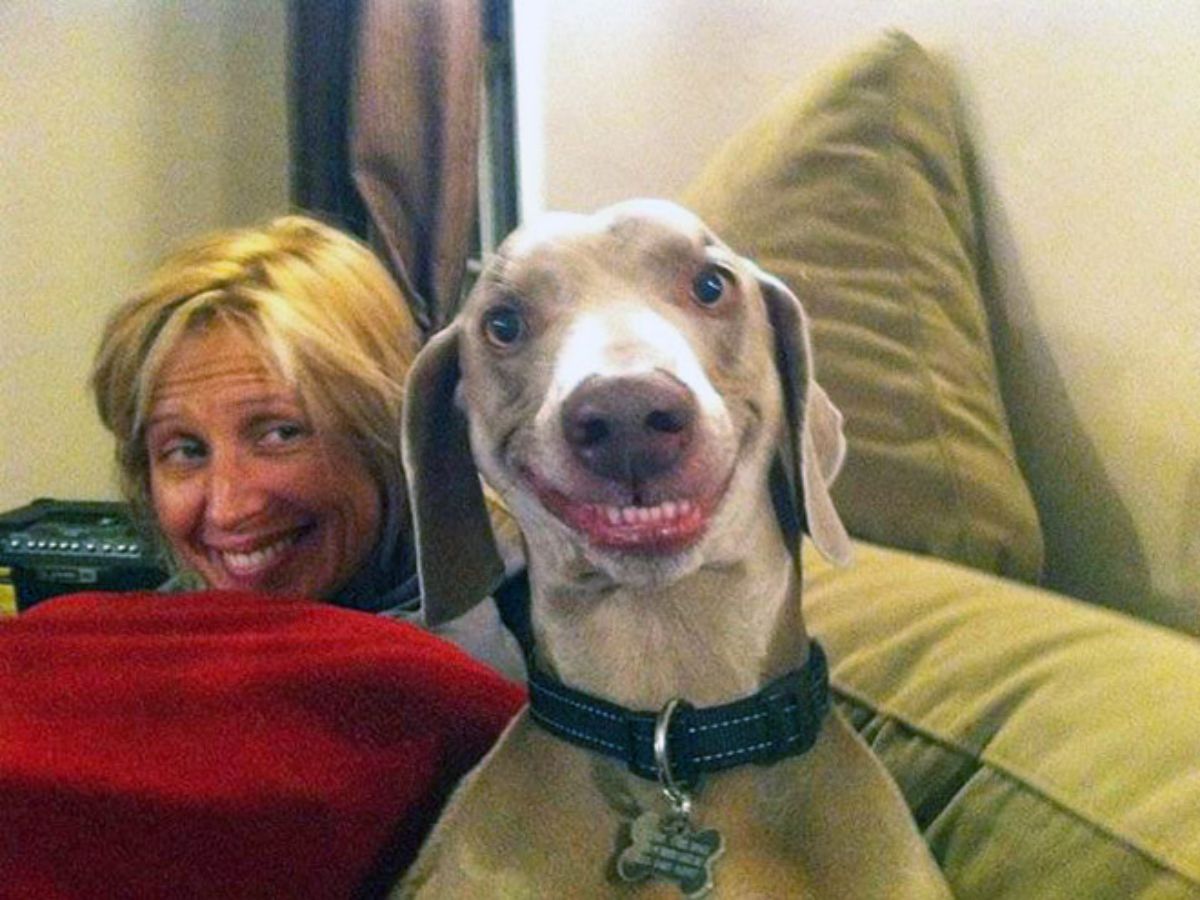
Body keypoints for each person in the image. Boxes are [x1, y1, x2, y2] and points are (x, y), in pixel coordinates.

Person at [89, 214, 523, 678]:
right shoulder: (141, 657)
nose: (227, 509)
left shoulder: (529, 669)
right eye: (187, 451)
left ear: (388, 433)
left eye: (279, 434)